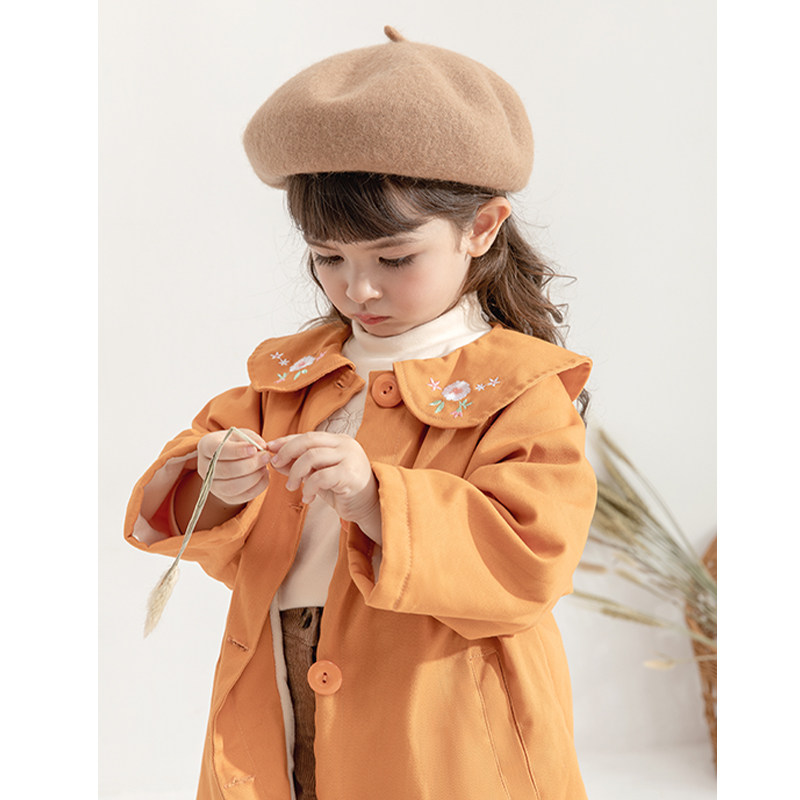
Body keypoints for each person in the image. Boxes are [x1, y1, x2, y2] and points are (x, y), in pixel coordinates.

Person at [125, 25, 597, 800]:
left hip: (442, 716)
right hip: (279, 682)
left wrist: (379, 498)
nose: (358, 288)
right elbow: (189, 495)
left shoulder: (520, 388)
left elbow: (533, 557)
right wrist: (218, 478)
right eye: (328, 258)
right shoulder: (289, 376)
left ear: (481, 228)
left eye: (395, 258)